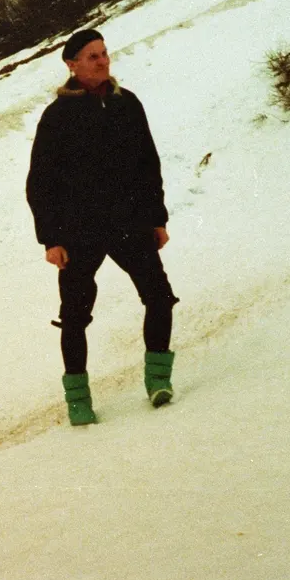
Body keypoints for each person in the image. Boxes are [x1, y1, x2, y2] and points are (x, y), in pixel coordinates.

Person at [26, 29, 178, 426]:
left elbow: (149, 164)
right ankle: (78, 400)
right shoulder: (57, 116)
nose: (103, 61)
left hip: (129, 222)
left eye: (104, 53)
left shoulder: (127, 104)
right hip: (80, 231)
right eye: (92, 56)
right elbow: (40, 182)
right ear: (72, 65)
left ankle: (158, 380)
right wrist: (51, 238)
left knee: (159, 297)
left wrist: (156, 217)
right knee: (74, 317)